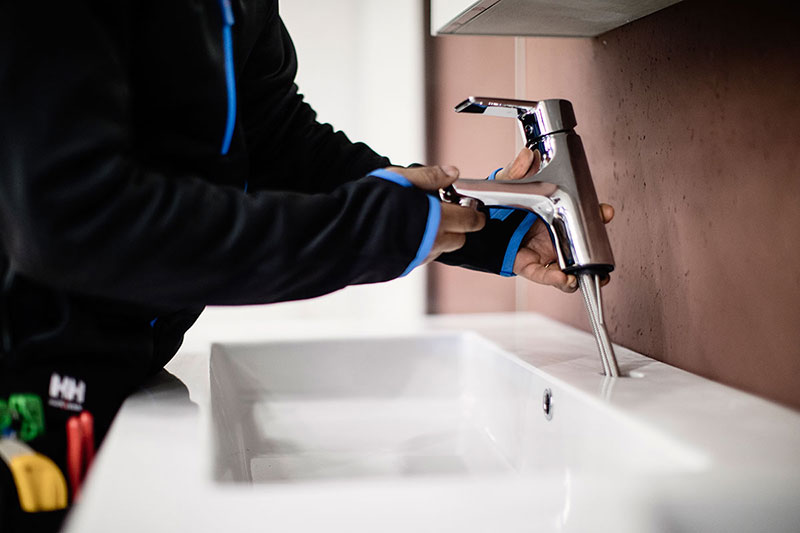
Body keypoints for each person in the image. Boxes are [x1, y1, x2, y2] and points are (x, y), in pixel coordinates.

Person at [0, 1, 612, 531]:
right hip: (22, 384)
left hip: (117, 375)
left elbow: (280, 142)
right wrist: (368, 230)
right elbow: (70, 216)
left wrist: (484, 229)